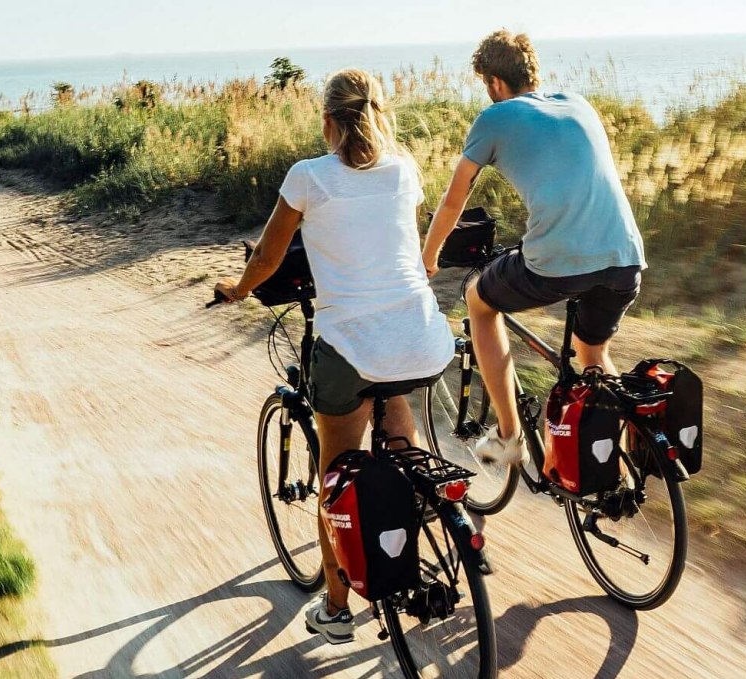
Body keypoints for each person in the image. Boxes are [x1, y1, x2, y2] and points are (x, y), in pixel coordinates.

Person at [214, 69, 452, 645]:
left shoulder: (308, 176)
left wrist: (238, 290)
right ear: (380, 114)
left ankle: (338, 606)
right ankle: (424, 504)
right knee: (395, 410)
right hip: (421, 336)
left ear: (327, 122)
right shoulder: (405, 170)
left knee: (336, 471)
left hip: (351, 344)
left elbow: (270, 256)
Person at [420, 30, 647, 465]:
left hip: (558, 262)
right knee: (592, 353)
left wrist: (428, 257)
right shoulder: (579, 104)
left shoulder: (495, 117)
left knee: (479, 303)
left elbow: (453, 201)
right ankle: (634, 442)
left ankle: (509, 438)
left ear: (494, 83)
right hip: (625, 257)